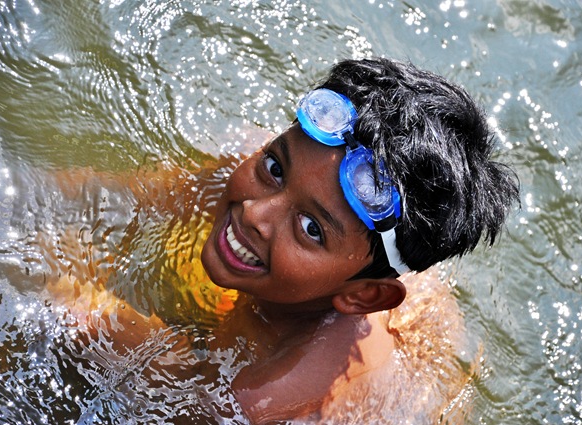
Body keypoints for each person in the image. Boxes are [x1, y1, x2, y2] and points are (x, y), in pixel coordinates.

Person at [46, 57, 519, 424]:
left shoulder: (260, 399)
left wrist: (70, 297)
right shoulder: (256, 168)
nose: (255, 213)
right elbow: (79, 195)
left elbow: (62, 305)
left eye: (310, 228)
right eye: (275, 167)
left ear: (362, 296)